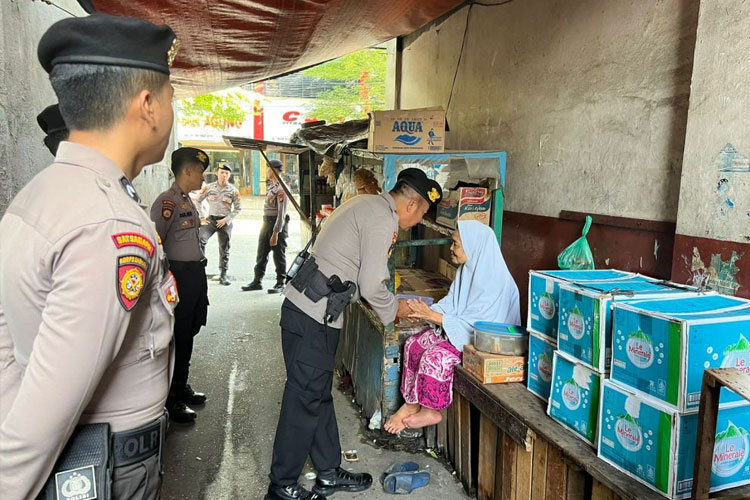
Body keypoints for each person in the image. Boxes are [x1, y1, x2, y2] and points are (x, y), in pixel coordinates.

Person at [0, 13, 179, 500]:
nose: (170, 110)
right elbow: (49, 408)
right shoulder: (108, 224)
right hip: (111, 461)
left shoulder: (36, 198)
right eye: (169, 97)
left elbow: (8, 342)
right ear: (148, 105)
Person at [266, 168, 443, 500]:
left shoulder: (367, 204)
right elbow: (373, 284)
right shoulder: (382, 219)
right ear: (412, 204)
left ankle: (329, 473)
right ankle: (282, 486)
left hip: (311, 312)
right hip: (312, 318)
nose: (417, 220)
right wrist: (397, 310)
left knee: (316, 395)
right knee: (302, 400)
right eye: (421, 213)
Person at [384, 221, 521, 434]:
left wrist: (433, 316)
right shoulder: (467, 271)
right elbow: (453, 304)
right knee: (414, 344)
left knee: (435, 357)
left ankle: (431, 409)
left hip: (483, 341)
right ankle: (411, 403)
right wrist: (423, 312)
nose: (451, 248)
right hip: (460, 330)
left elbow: (477, 327)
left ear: (473, 246)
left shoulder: (495, 281)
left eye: (455, 244)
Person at [150, 147, 210, 424]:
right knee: (179, 336)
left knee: (192, 329)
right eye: (199, 171)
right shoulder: (168, 203)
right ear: (186, 171)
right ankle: (171, 399)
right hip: (179, 277)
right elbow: (155, 245)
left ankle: (181, 385)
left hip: (195, 275)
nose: (202, 176)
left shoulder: (187, 200)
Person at [242, 159, 289, 294]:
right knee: (262, 252)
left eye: (269, 169)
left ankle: (281, 282)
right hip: (266, 223)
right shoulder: (272, 186)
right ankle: (257, 281)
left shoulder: (281, 189)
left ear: (274, 170)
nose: (267, 171)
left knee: (278, 254)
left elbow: (281, 214)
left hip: (277, 224)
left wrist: (275, 233)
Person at [197, 163, 241, 285]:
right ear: (217, 173)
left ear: (229, 175)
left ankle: (223, 275)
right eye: (222, 172)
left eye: (227, 173)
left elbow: (238, 208)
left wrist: (226, 220)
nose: (224, 175)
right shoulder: (209, 188)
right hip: (211, 220)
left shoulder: (233, 191)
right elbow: (198, 200)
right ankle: (199, 272)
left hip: (225, 222)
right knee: (200, 239)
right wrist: (201, 216)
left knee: (224, 248)